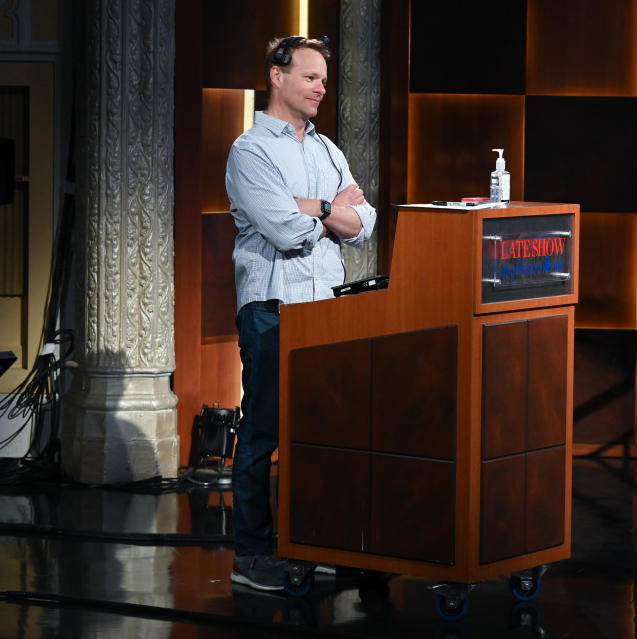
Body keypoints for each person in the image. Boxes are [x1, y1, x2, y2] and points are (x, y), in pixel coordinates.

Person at [224, 35, 376, 591]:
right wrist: (330, 211)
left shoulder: (327, 150)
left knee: (324, 433)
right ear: (277, 77)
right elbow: (285, 231)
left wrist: (316, 208)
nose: (320, 88)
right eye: (311, 77)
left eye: (324, 81)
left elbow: (366, 224)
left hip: (328, 308)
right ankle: (252, 555)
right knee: (264, 431)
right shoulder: (251, 151)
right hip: (272, 307)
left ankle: (314, 541)